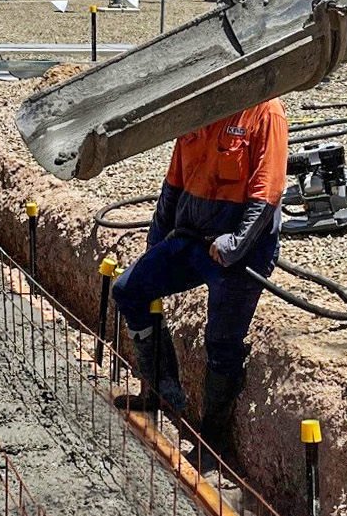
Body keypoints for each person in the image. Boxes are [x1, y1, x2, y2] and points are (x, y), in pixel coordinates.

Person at [112, 99, 288, 457]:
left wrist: (235, 244)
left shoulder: (265, 112)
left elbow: (268, 191)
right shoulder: (200, 106)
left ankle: (213, 446)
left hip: (240, 253)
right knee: (130, 289)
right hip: (192, 239)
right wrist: (156, 243)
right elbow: (173, 184)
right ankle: (161, 390)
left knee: (221, 343)